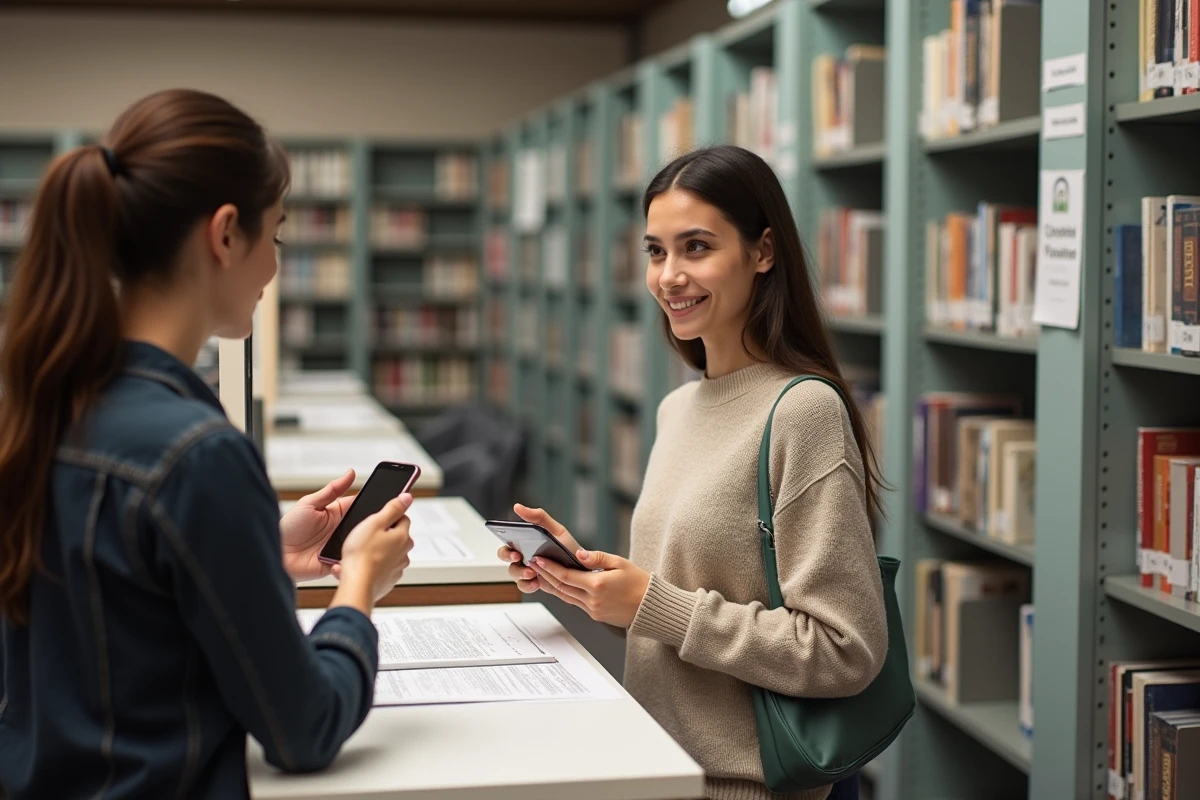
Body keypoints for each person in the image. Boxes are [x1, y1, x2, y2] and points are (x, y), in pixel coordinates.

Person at [0, 89, 414, 799]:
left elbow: (109, 618)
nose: (274, 269)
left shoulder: (40, 407)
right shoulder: (197, 454)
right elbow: (303, 729)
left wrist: (259, 555)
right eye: (275, 237)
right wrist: (358, 588)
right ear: (225, 235)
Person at [499, 145, 887, 800]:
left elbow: (843, 650)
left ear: (763, 252)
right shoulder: (679, 408)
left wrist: (653, 603)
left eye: (697, 248)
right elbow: (678, 606)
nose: (669, 276)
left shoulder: (803, 412)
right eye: (656, 251)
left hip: (745, 787)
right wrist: (592, 583)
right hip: (656, 767)